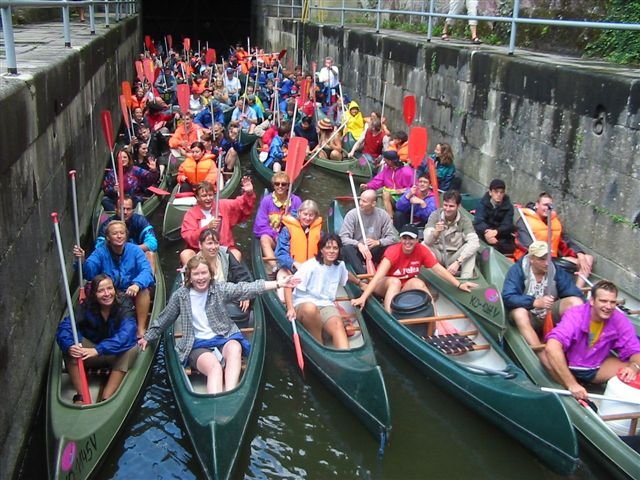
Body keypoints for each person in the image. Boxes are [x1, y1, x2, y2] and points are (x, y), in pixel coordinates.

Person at [138, 255, 299, 394]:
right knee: (214, 368)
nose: (200, 278)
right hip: (197, 343)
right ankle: (215, 400)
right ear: (189, 276)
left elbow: (246, 288)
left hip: (223, 335)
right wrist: (148, 336)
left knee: (235, 348)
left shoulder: (218, 289)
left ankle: (231, 392)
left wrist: (279, 284)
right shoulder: (181, 295)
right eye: (196, 274)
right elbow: (166, 318)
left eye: (204, 273)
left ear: (210, 274)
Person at [541, 280, 640, 400]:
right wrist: (572, 384)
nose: (608, 306)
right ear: (592, 301)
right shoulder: (575, 315)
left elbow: (635, 350)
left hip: (596, 368)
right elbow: (552, 347)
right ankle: (569, 387)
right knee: (546, 356)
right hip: (567, 365)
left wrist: (633, 368)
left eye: (612, 302)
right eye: (603, 301)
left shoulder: (619, 319)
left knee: (635, 368)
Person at [351, 224, 477, 313]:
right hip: (384, 284)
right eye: (404, 238)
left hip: (404, 286)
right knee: (395, 282)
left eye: (411, 238)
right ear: (400, 239)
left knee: (418, 282)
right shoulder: (393, 252)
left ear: (417, 240)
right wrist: (363, 298)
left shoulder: (422, 251)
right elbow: (378, 277)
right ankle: (391, 317)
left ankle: (433, 318)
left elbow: (439, 269)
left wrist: (459, 285)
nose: (407, 242)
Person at [56, 274, 138, 403]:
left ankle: (107, 397)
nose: (107, 294)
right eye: (101, 291)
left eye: (109, 289)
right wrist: (70, 345)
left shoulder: (124, 305)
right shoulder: (86, 306)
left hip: (113, 354)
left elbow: (127, 334)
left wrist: (99, 349)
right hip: (91, 353)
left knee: (131, 348)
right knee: (71, 347)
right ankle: (81, 395)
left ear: (114, 290)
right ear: (94, 294)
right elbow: (65, 327)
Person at [74, 220, 155, 339]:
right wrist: (82, 261)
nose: (119, 236)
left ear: (126, 235)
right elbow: (89, 273)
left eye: (122, 233)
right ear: (108, 237)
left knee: (144, 290)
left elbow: (146, 271)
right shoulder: (100, 252)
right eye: (115, 233)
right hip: (111, 291)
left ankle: (141, 329)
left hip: (131, 290)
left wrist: (137, 284)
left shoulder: (135, 250)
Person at [286, 234, 362, 349]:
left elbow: (346, 275)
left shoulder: (339, 265)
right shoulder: (310, 266)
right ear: (321, 250)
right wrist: (290, 308)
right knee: (310, 309)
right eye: (328, 248)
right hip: (304, 304)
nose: (331, 251)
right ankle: (320, 346)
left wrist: (360, 283)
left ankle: (345, 355)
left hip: (326, 304)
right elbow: (288, 286)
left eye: (335, 248)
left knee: (337, 324)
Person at [502, 241, 584, 347]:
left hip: (549, 313)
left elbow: (572, 291)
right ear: (531, 259)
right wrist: (534, 302)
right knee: (519, 313)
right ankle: (538, 350)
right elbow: (508, 297)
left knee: (576, 302)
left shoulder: (555, 270)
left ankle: (571, 341)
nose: (547, 263)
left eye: (549, 258)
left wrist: (589, 308)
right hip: (530, 315)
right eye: (542, 259)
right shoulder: (517, 271)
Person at [514, 192, 594, 287]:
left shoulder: (552, 221)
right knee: (574, 262)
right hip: (534, 258)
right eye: (544, 205)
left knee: (588, 258)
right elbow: (526, 246)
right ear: (537, 205)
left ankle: (577, 290)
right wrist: (544, 258)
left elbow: (565, 241)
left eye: (550, 205)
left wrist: (579, 253)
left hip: (553, 257)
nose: (547, 208)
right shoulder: (525, 221)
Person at [182, 228, 254, 319]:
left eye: (216, 243)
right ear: (200, 245)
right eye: (209, 243)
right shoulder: (195, 262)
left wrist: (245, 294)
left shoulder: (225, 254)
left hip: (227, 296)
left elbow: (242, 275)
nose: (214, 247)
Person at [180, 178, 256, 262]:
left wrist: (249, 193)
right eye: (204, 196)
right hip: (199, 250)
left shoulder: (223, 205)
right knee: (186, 254)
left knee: (236, 254)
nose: (208, 198)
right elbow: (189, 236)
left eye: (210, 195)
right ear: (197, 197)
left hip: (222, 248)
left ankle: (228, 273)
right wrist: (207, 228)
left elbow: (241, 205)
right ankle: (194, 273)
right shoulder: (191, 214)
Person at [253, 172, 303, 275]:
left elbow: (302, 222)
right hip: (273, 238)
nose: (280, 186)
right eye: (277, 184)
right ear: (273, 185)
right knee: (264, 238)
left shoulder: (296, 201)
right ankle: (275, 266)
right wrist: (275, 235)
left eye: (283, 184)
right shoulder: (267, 201)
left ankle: (296, 266)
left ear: (288, 185)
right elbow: (260, 225)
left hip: (290, 240)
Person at [339, 189, 398, 275]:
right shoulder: (352, 215)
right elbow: (343, 238)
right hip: (358, 251)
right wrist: (358, 244)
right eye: (360, 200)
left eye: (364, 201)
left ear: (373, 204)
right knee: (347, 248)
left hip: (374, 250)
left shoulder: (383, 215)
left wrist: (378, 242)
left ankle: (385, 271)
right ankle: (363, 275)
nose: (360, 203)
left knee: (392, 247)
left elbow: (392, 238)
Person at [423, 190, 480, 278]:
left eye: (451, 206)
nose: (448, 209)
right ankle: (433, 277)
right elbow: (427, 241)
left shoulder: (464, 221)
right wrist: (436, 232)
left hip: (454, 255)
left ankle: (466, 279)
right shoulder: (435, 215)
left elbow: (475, 242)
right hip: (438, 254)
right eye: (445, 205)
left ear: (458, 206)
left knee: (471, 250)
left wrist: (458, 262)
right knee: (423, 245)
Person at [96, 196, 158, 272]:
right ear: (116, 209)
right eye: (122, 209)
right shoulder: (107, 225)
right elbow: (99, 247)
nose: (125, 212)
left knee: (150, 254)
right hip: (114, 258)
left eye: (128, 209)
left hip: (136, 256)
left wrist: (130, 250)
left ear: (132, 210)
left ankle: (150, 281)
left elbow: (153, 243)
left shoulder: (140, 221)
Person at [275, 199, 323, 275]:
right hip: (291, 268)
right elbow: (281, 254)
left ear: (315, 216)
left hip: (313, 270)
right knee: (283, 276)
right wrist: (294, 263)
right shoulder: (286, 230)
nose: (307, 218)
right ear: (299, 213)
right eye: (305, 214)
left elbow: (324, 252)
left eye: (311, 215)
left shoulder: (319, 233)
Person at [361, 150, 414, 217]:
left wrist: (403, 191)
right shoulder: (387, 169)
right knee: (375, 193)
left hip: (402, 197)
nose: (384, 161)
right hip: (391, 194)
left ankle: (389, 218)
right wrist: (368, 185)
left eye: (385, 159)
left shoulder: (406, 172)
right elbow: (379, 180)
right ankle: (377, 215)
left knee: (385, 194)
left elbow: (414, 187)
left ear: (389, 161)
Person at [472, 178, 516, 254]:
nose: (498, 195)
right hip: (484, 232)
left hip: (499, 234)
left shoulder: (508, 207)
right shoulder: (482, 203)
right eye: (496, 192)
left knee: (510, 247)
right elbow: (479, 221)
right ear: (490, 192)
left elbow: (507, 224)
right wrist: (486, 232)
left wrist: (496, 232)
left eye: (501, 192)